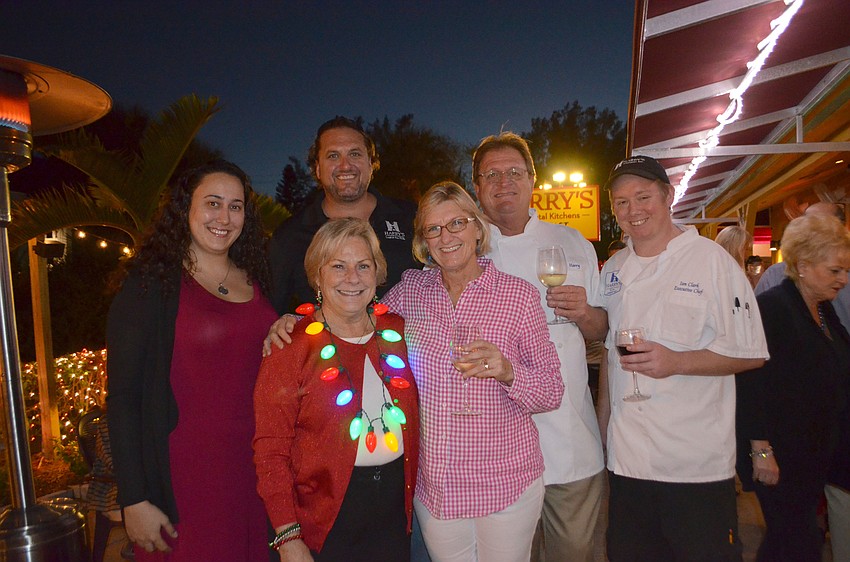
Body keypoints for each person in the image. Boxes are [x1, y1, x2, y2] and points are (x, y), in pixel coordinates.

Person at [596, 155, 768, 560]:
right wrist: (605, 437)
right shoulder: (614, 270)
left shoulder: (713, 262)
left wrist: (678, 362)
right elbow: (608, 359)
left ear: (668, 196)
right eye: (621, 202)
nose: (632, 210)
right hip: (628, 466)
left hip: (695, 467)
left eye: (643, 197)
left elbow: (751, 355)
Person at [381, 181, 564, 561]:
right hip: (438, 485)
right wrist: (296, 323)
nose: (445, 237)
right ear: (423, 241)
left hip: (504, 481)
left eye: (457, 223)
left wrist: (508, 371)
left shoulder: (518, 295)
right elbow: (360, 325)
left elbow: (551, 391)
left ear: (478, 229)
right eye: (433, 229)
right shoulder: (410, 291)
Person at [106, 160, 278, 560]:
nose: (225, 217)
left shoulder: (256, 276)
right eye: (213, 203)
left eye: (236, 206)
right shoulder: (151, 284)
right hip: (185, 477)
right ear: (185, 208)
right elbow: (123, 398)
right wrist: (134, 498)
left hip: (254, 470)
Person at [471, 132, 607, 562]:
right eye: (491, 175)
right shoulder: (464, 251)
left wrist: (583, 313)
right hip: (498, 454)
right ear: (476, 187)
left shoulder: (573, 243)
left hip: (571, 444)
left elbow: (601, 330)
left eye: (514, 172)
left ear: (533, 180)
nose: (503, 182)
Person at [254, 218, 419, 562]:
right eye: (338, 267)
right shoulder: (290, 346)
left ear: (377, 273)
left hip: (393, 518)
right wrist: (287, 536)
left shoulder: (399, 331)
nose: (352, 278)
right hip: (322, 525)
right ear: (317, 275)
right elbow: (271, 450)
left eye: (363, 266)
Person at [735, 213, 850, 562]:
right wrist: (761, 450)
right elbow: (751, 383)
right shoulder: (773, 309)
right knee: (800, 545)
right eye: (835, 271)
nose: (844, 279)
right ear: (802, 265)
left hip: (813, 455)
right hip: (781, 458)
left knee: (784, 544)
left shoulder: (822, 310)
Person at [269, 116, 419, 314]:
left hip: (415, 344)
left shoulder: (413, 219)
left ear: (371, 163)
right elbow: (269, 313)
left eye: (355, 154)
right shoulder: (289, 237)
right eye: (333, 156)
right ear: (318, 169)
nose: (345, 165)